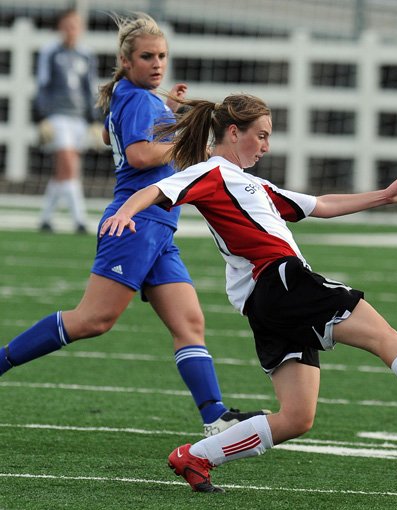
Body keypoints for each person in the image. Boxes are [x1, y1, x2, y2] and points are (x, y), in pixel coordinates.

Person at [99, 92, 397, 493]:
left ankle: (195, 456)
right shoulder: (211, 172)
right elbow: (156, 189)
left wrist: (384, 195)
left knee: (296, 417)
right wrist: (123, 213)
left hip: (264, 304)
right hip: (282, 280)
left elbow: (321, 205)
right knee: (384, 337)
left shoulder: (254, 186)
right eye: (261, 135)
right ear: (234, 133)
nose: (265, 146)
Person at [0, 13, 267, 437]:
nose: (157, 64)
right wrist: (185, 132)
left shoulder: (129, 94)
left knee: (189, 323)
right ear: (126, 60)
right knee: (92, 320)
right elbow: (141, 155)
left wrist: (170, 111)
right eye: (147, 57)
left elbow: (113, 137)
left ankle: (214, 415)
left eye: (162, 55)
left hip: (158, 227)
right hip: (136, 222)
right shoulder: (139, 98)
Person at [34, 8, 98, 234]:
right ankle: (80, 219)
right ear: (60, 27)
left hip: (78, 118)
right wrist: (41, 117)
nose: (72, 30)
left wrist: (93, 119)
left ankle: (45, 218)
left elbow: (89, 88)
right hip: (57, 116)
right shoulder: (50, 52)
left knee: (64, 171)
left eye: (76, 25)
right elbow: (42, 85)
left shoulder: (87, 55)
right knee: (69, 166)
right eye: (68, 25)